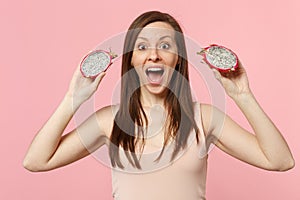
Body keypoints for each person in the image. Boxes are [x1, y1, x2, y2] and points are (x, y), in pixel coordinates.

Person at [23, 11, 294, 200]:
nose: (153, 54)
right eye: (142, 47)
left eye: (165, 45)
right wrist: (73, 99)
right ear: (130, 60)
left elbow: (281, 161)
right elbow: (35, 161)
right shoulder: (110, 121)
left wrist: (243, 95)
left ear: (178, 59)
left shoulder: (205, 118)